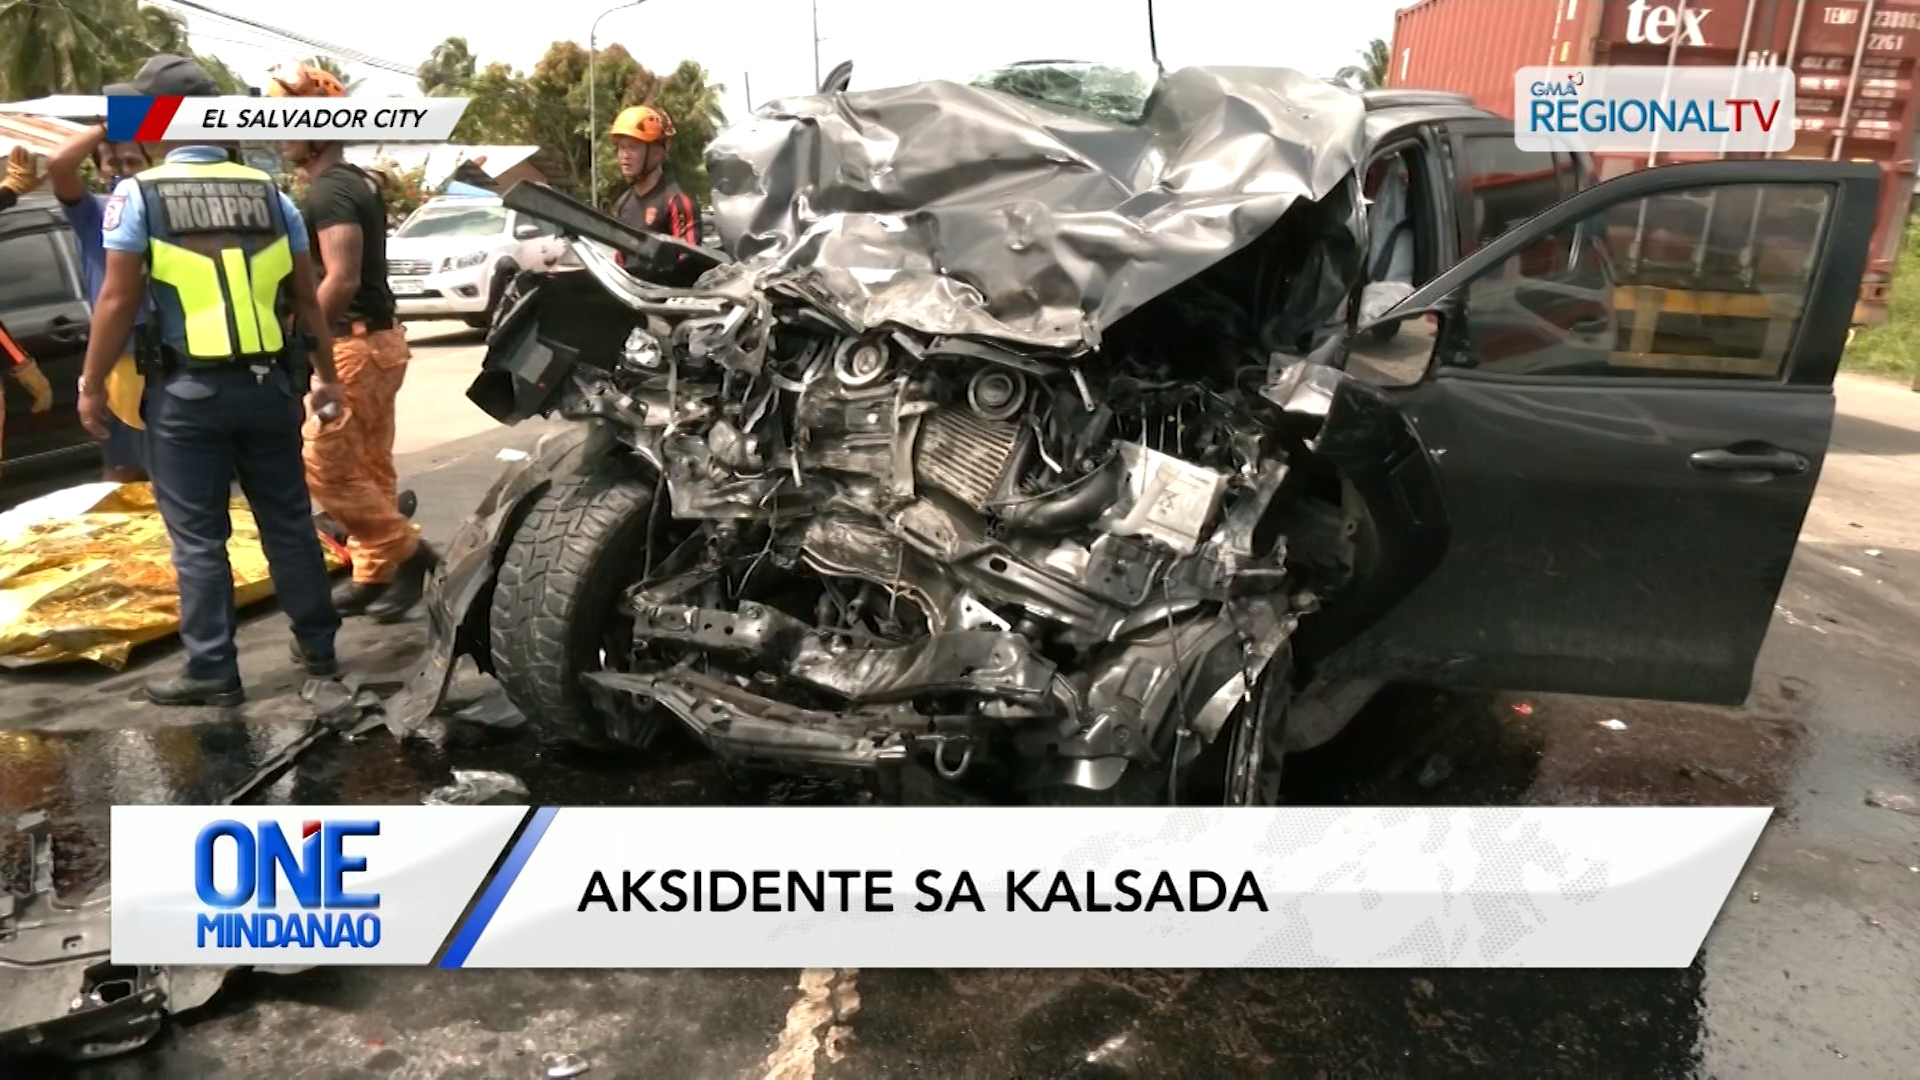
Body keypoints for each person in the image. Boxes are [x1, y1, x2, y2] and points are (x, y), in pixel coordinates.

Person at [77, 54, 344, 706]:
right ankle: (320, 652)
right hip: (270, 389)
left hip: (188, 396)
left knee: (199, 536)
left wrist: (89, 385)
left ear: (156, 119)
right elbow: (306, 300)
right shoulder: (271, 194)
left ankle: (213, 671)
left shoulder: (137, 196)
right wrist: (327, 378)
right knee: (287, 522)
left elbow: (116, 301)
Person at [269, 61, 437, 621]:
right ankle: (376, 571)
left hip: (355, 346)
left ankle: (412, 555)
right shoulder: (353, 180)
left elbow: (339, 275)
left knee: (325, 465)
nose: (278, 132)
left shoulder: (331, 192)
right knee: (369, 465)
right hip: (381, 341)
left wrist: (302, 336)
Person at [46, 110, 156, 482]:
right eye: (113, 162)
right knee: (123, 471)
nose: (123, 169)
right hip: (116, 358)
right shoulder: (92, 211)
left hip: (167, 357)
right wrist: (110, 126)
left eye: (132, 161)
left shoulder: (164, 209)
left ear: (148, 164)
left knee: (175, 471)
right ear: (99, 170)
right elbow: (59, 163)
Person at [607, 105, 700, 246]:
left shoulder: (677, 202)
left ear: (657, 151)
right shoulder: (622, 204)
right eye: (622, 147)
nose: (625, 156)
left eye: (632, 147)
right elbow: (617, 258)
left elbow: (691, 259)